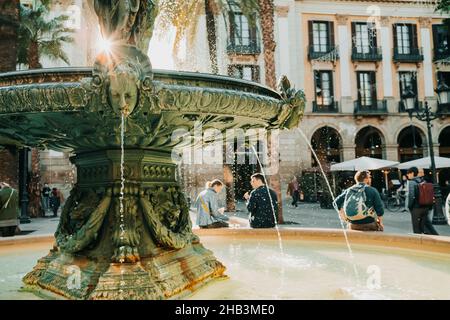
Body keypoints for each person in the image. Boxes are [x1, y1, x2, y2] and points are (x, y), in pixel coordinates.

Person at [406, 167, 439, 235]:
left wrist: (409, 206)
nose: (407, 175)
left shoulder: (411, 182)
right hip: (425, 207)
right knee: (426, 225)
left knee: (417, 229)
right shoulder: (422, 181)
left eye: (408, 173)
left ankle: (420, 243)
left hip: (416, 208)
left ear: (412, 173)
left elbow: (411, 196)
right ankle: (436, 237)